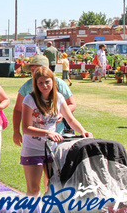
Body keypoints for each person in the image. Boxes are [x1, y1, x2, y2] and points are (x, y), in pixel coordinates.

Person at [21, 66, 92, 196]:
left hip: (52, 149)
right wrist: (48, 133)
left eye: (47, 81)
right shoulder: (29, 99)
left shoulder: (58, 97)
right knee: (34, 188)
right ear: (36, 84)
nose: (44, 85)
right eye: (40, 83)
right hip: (32, 148)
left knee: (53, 187)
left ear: (53, 81)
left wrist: (83, 131)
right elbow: (25, 128)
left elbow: (70, 120)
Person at [13, 55, 76, 146]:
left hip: (58, 134)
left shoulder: (59, 84)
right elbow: (18, 109)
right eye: (32, 70)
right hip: (34, 137)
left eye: (37, 70)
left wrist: (62, 114)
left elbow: (71, 104)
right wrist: (16, 131)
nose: (34, 73)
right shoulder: (27, 86)